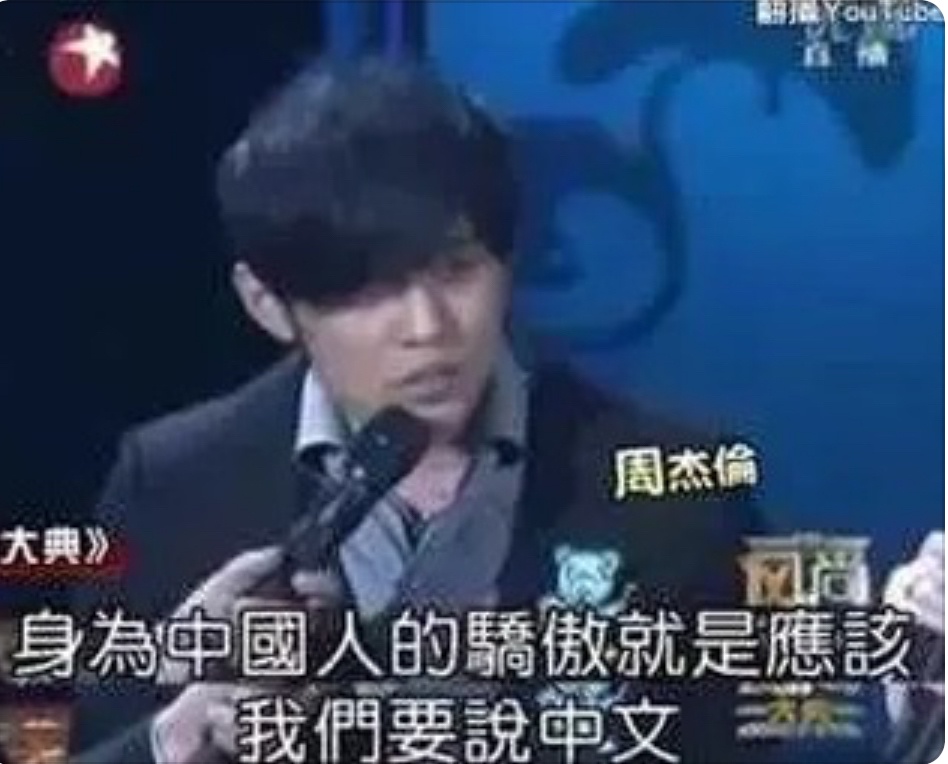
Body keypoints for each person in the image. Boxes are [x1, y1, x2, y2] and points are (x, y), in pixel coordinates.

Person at [67, 56, 783, 764]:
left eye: (457, 269)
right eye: (370, 291)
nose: (428, 326)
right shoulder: (173, 485)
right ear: (267, 304)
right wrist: (176, 739)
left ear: (509, 258)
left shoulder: (679, 487)